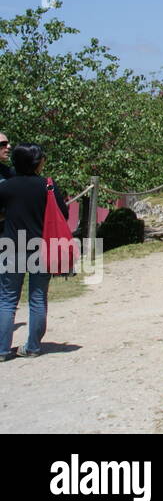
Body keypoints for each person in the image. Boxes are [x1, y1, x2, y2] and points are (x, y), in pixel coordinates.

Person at [0, 143, 68, 359]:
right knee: (38, 298)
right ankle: (32, 346)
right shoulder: (48, 186)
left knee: (7, 299)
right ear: (36, 162)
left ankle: (2, 350)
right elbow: (63, 215)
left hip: (11, 246)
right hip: (41, 247)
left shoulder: (7, 187)